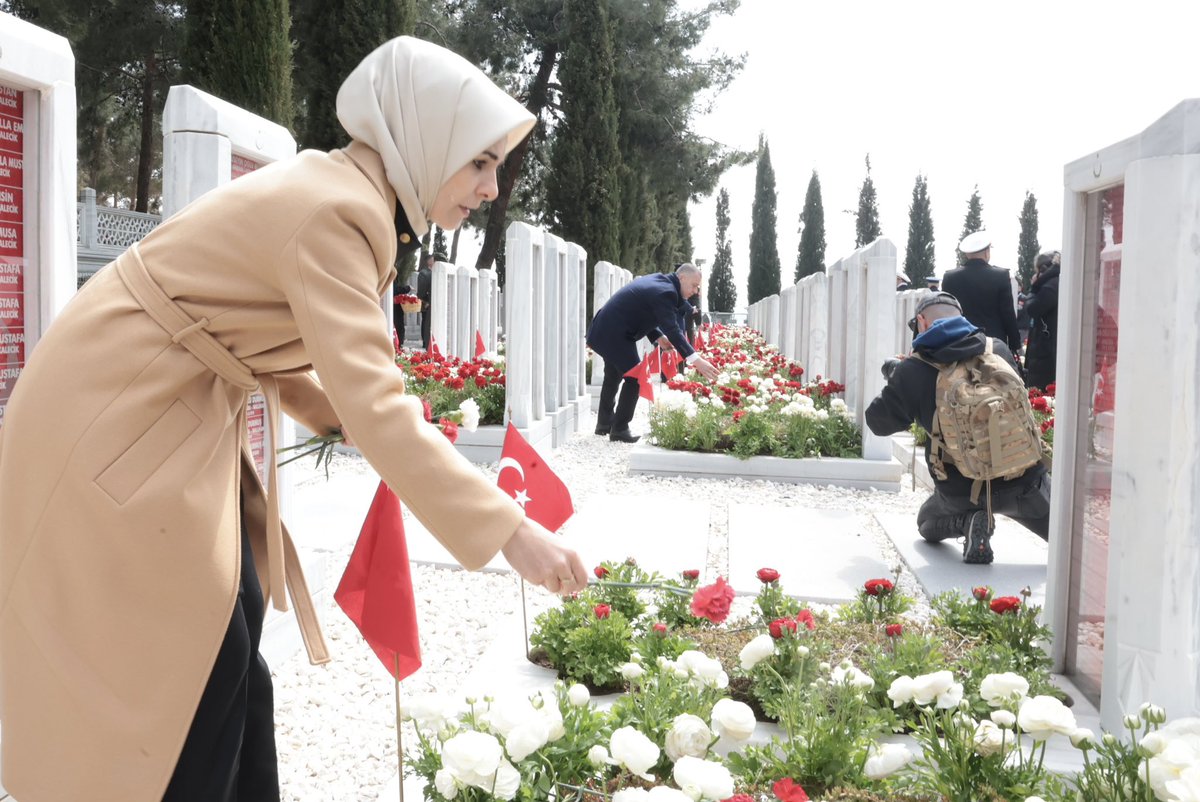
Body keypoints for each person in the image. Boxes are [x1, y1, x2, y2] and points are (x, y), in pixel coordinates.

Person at [0, 37, 587, 802]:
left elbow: (294, 360)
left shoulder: (348, 197)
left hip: (153, 401)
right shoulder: (339, 211)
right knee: (190, 670)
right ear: (425, 138)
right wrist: (512, 531)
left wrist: (358, 422)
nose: (490, 187)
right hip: (118, 412)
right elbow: (377, 408)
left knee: (232, 640)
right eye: (479, 161)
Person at [867, 291, 1051, 565]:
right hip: (1025, 484)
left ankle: (968, 521)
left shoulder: (913, 370)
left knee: (926, 523)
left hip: (963, 493)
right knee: (1069, 537)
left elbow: (877, 422)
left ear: (921, 321)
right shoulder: (997, 349)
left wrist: (899, 380)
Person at [587, 263, 719, 443]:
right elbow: (672, 329)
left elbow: (643, 311)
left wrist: (658, 336)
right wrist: (697, 360)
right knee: (636, 377)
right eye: (694, 285)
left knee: (613, 375)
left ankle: (604, 424)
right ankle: (619, 429)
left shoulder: (661, 283)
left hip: (607, 328)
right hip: (614, 333)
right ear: (682, 278)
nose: (696, 291)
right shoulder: (666, 292)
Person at [941, 231, 1023, 356]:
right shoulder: (1000, 276)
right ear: (986, 252)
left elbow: (946, 312)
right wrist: (1015, 344)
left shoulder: (950, 277)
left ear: (967, 254)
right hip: (993, 345)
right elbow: (1007, 314)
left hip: (960, 343)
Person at [1024, 250, 1061, 391]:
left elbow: (1032, 308)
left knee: (1041, 392)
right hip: (1049, 348)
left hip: (1045, 351)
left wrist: (1034, 288)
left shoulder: (1050, 286)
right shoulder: (1057, 282)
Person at [417, 251, 439, 351]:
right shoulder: (424, 273)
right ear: (429, 261)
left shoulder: (437, 272)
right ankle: (426, 342)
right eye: (433, 259)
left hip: (435, 303)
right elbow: (421, 292)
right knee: (426, 322)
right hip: (427, 302)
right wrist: (426, 300)